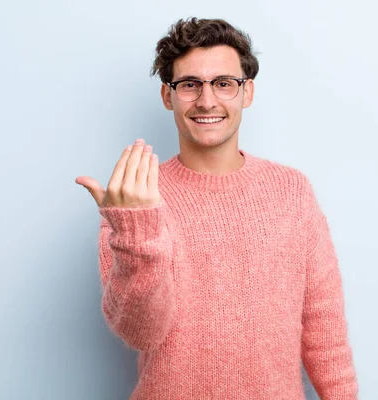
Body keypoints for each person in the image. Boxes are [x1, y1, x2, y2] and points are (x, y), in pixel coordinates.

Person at [75, 17, 358, 400]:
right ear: (167, 95)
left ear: (247, 92)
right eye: (190, 85)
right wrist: (136, 234)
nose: (207, 101)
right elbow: (140, 333)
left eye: (224, 84)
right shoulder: (135, 200)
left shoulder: (291, 190)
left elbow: (325, 328)